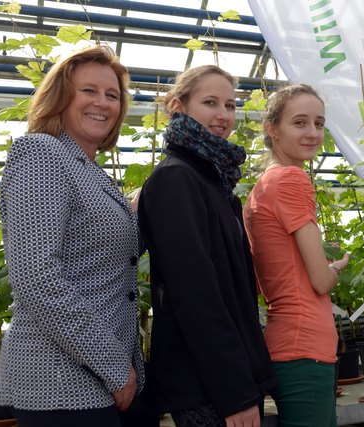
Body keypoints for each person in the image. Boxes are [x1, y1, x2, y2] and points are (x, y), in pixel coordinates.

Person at [0, 45, 144, 427]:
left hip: (90, 383)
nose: (103, 103)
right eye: (89, 91)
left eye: (112, 95)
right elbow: (37, 278)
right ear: (61, 96)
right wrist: (114, 366)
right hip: (58, 384)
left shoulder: (90, 170)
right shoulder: (42, 153)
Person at [137, 65, 277, 427]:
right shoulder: (176, 179)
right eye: (210, 102)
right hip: (209, 389)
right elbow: (196, 296)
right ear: (178, 107)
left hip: (226, 381)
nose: (223, 115)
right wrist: (236, 394)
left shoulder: (213, 180)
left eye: (230, 105)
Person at [243, 84, 349, 427]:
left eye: (319, 123)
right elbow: (319, 281)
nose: (313, 133)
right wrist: (335, 270)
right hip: (305, 343)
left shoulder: (263, 186)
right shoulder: (293, 179)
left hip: (282, 339)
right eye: (300, 122)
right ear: (273, 129)